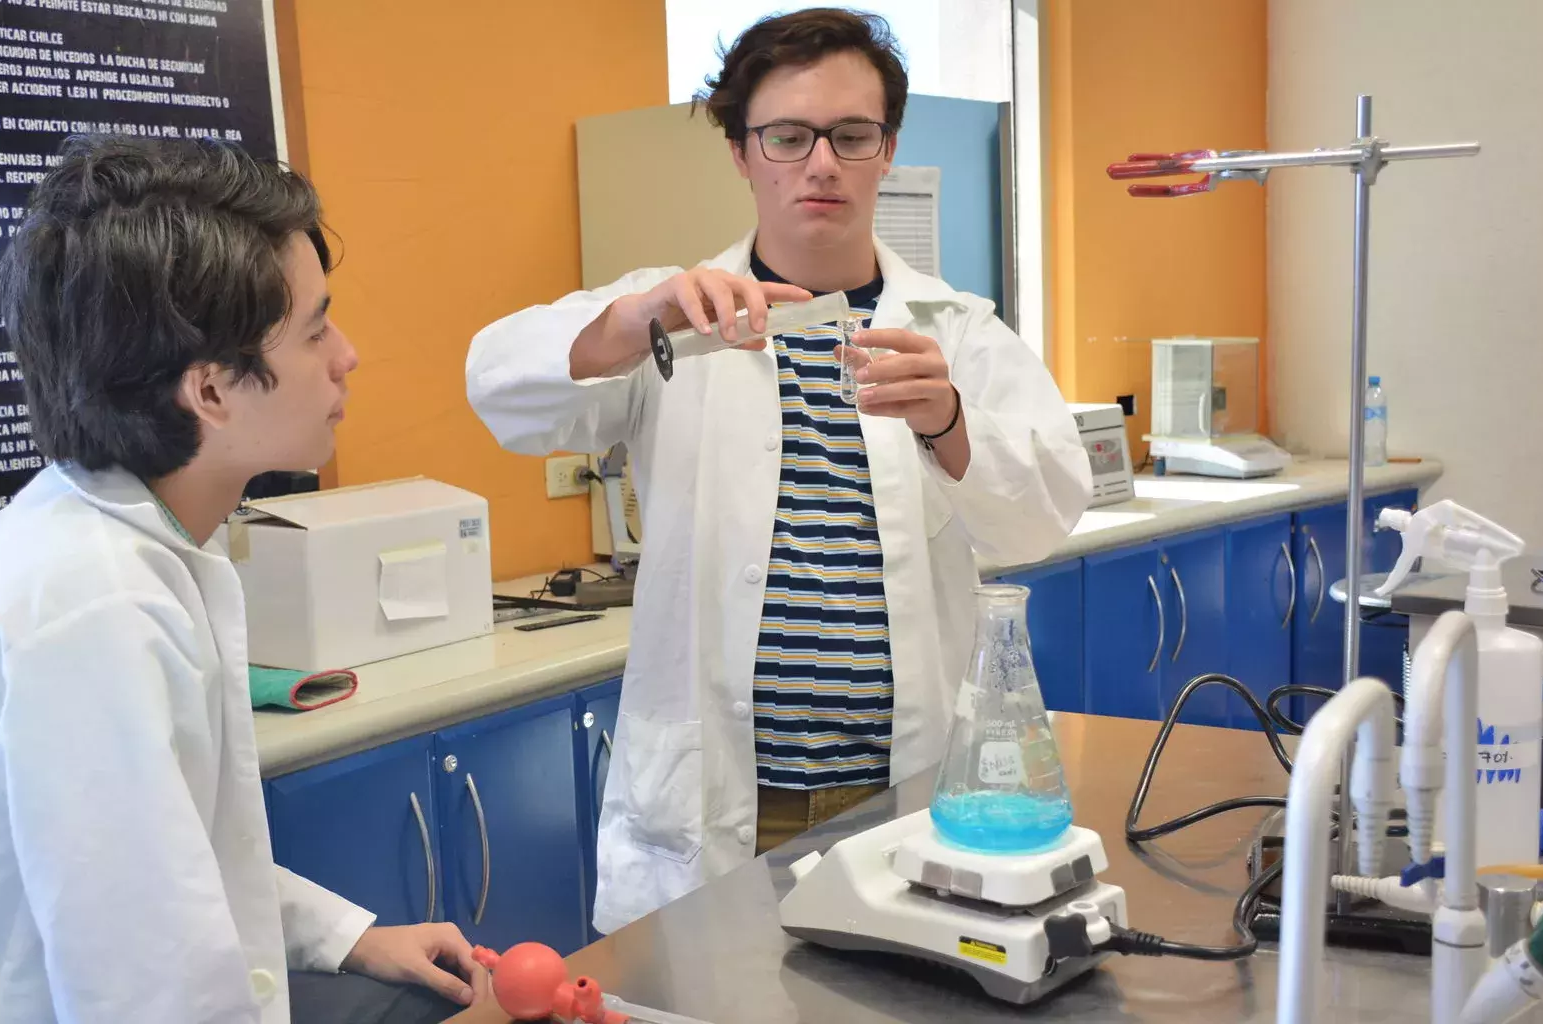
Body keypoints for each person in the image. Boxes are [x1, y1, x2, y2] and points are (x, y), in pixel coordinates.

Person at [0, 136, 487, 1023]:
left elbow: (165, 861)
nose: (347, 356)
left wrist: (344, 937)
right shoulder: (93, 605)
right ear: (209, 392)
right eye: (316, 330)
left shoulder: (118, 539)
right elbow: (150, 992)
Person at [464, 9, 1090, 936]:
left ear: (887, 149)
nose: (822, 163)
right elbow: (499, 388)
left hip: (897, 796)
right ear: (742, 152)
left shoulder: (955, 330)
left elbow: (1045, 517)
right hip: (721, 806)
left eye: (852, 135)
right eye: (788, 136)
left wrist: (949, 420)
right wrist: (641, 320)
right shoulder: (670, 317)